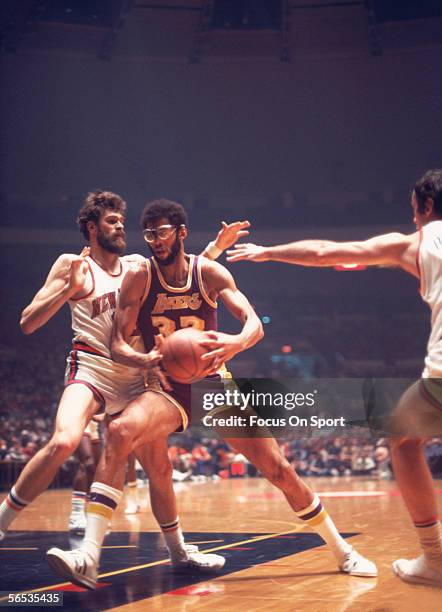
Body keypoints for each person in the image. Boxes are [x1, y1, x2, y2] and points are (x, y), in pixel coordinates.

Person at [47, 198, 376, 589]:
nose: (155, 240)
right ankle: (88, 556)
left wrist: (237, 343)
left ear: (181, 233)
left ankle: (342, 551)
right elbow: (117, 343)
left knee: (280, 470)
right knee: (119, 432)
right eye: (149, 233)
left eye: (163, 232)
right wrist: (143, 358)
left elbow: (253, 323)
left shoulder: (210, 273)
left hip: (213, 385)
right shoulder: (139, 276)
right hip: (166, 386)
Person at [0, 190, 249, 571]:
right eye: (112, 221)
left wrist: (216, 247)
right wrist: (65, 292)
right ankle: (2, 523)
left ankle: (179, 552)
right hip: (92, 367)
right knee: (65, 441)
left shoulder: (137, 265)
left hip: (138, 374)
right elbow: (28, 322)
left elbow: (187, 274)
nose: (121, 228)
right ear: (91, 227)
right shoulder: (71, 264)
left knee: (160, 469)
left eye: (121, 221)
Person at [227, 169, 442, 587]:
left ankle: (435, 557)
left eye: (414, 211)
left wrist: (269, 253)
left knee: (402, 438)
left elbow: (327, 251)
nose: (413, 218)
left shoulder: (416, 242)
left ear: (425, 207)